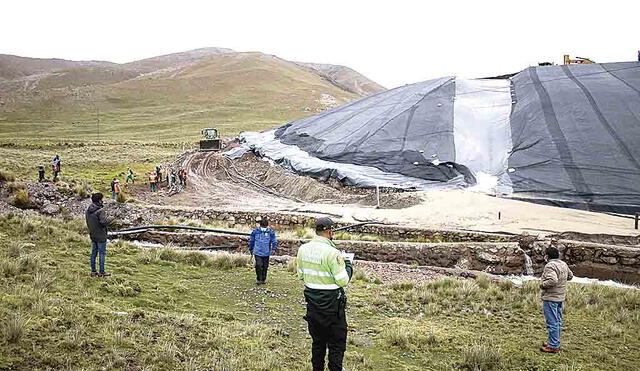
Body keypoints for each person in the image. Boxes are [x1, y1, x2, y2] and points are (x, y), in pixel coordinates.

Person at [296, 217, 353, 371]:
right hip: (333, 307)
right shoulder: (333, 253)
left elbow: (301, 275)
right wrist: (348, 264)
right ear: (330, 231)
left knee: (318, 343)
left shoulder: (303, 249)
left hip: (313, 307)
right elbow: (342, 281)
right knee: (336, 345)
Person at [540, 246, 573, 353]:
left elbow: (553, 280)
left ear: (547, 256)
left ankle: (553, 346)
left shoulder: (550, 266)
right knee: (557, 321)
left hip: (551, 298)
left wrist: (542, 285)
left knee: (552, 322)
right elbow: (570, 276)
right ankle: (553, 342)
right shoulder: (563, 264)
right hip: (560, 297)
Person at [85, 193, 111, 277]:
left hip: (93, 234)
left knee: (93, 253)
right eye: (102, 199)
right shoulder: (100, 211)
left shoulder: (88, 210)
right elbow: (103, 223)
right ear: (99, 200)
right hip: (101, 235)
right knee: (102, 253)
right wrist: (110, 219)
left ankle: (93, 271)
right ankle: (102, 272)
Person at [248, 219, 278, 285]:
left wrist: (274, 248)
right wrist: (251, 248)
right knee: (258, 265)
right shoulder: (255, 232)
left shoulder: (270, 232)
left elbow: (274, 241)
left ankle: (263, 279)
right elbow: (251, 241)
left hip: (266, 252)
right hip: (257, 252)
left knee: (265, 266)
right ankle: (259, 279)